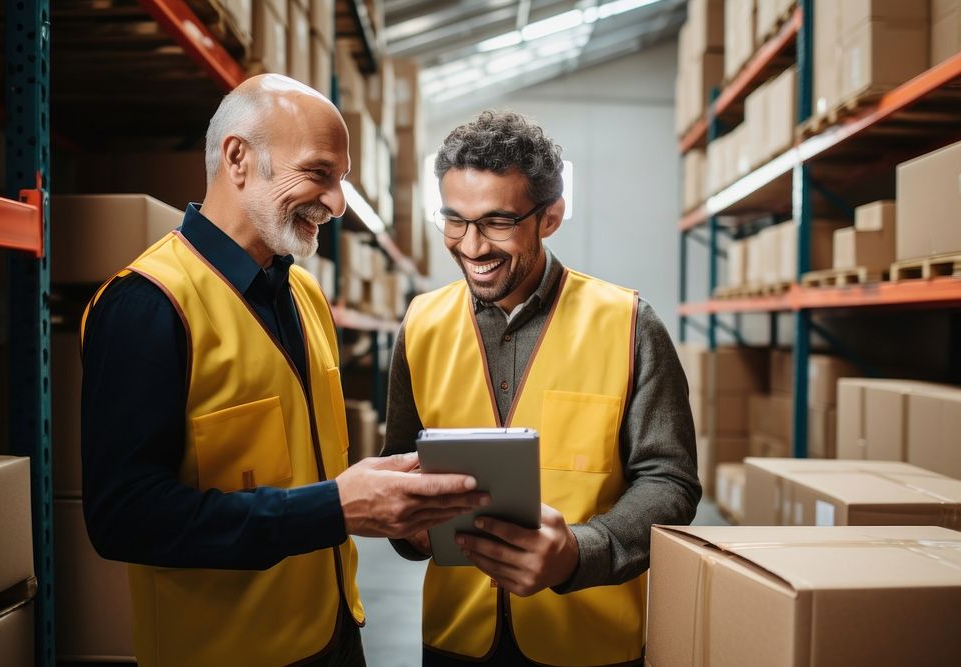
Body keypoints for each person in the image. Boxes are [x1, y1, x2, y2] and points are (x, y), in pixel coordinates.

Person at [79, 74, 487, 667]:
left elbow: (302, 461)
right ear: (238, 158)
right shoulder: (148, 305)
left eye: (341, 180)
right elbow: (123, 518)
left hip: (334, 635)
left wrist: (375, 492)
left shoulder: (304, 294)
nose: (337, 203)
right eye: (319, 172)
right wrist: (335, 508)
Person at [381, 110, 701, 667]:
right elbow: (399, 463)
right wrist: (409, 529)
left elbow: (670, 481)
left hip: (588, 642)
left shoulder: (627, 323)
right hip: (456, 640)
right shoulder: (421, 324)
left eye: (497, 222)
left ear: (550, 216)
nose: (472, 247)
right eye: (454, 220)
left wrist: (580, 551)